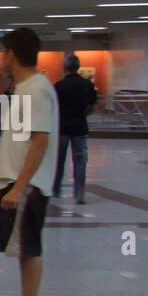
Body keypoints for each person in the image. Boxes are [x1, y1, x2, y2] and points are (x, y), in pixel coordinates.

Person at [0, 27, 58, 296]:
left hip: (27, 185)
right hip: (18, 181)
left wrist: (18, 186)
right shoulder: (26, 87)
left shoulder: (35, 89)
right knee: (24, 248)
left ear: (12, 54)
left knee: (29, 249)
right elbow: (20, 140)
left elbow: (40, 142)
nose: (2, 58)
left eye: (3, 51)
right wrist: (3, 183)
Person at [53, 54, 97, 204]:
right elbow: (92, 107)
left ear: (64, 67)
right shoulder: (87, 85)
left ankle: (55, 189)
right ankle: (79, 193)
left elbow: (54, 108)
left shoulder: (58, 86)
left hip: (62, 128)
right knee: (80, 161)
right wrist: (82, 114)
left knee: (58, 160)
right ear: (78, 67)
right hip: (80, 127)